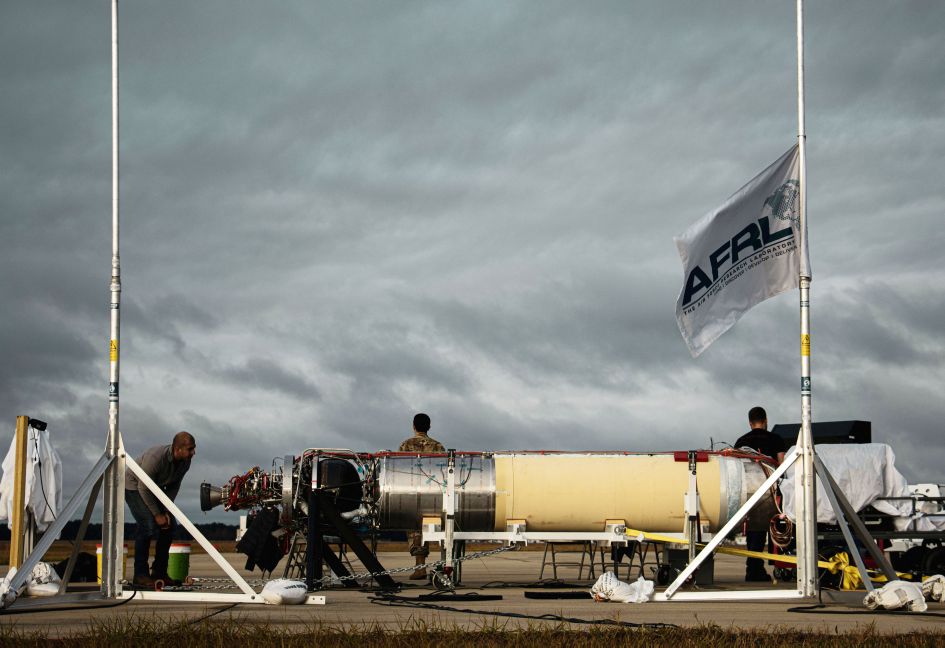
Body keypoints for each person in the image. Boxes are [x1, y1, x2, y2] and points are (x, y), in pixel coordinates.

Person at [124, 431, 196, 587]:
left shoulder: (185, 462)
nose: (193, 453)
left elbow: (173, 486)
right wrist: (157, 514)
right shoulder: (155, 457)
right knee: (148, 525)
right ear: (178, 449)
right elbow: (143, 487)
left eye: (193, 448)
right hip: (134, 486)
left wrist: (165, 510)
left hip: (154, 489)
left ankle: (160, 573)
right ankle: (141, 575)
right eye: (190, 449)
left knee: (170, 526)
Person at [733, 407, 786, 582]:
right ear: (765, 420)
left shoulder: (741, 441)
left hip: (747, 490)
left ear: (750, 422)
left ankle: (754, 568)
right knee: (773, 530)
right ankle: (770, 566)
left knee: (754, 531)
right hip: (769, 490)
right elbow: (782, 465)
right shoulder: (776, 439)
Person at [398, 413, 444, 580]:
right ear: (429, 426)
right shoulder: (438, 446)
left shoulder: (405, 445)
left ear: (413, 426)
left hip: (412, 493)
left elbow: (400, 470)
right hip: (433, 494)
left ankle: (420, 567)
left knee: (415, 529)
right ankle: (441, 566)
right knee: (431, 527)